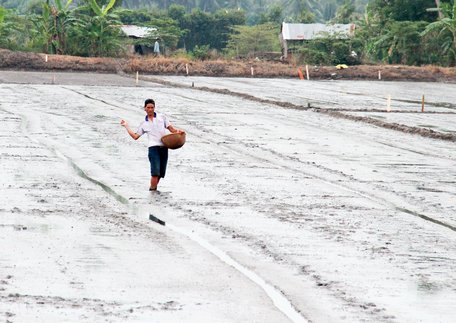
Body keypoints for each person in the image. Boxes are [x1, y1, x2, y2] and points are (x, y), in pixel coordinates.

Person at [121, 99, 184, 191]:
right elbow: (135, 136)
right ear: (145, 109)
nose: (150, 109)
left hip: (164, 147)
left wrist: (179, 131)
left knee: (161, 173)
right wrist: (126, 126)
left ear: (154, 108)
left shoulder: (162, 117)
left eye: (152, 107)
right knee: (155, 172)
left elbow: (172, 130)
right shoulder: (143, 123)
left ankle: (153, 190)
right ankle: (153, 192)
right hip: (153, 148)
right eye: (148, 107)